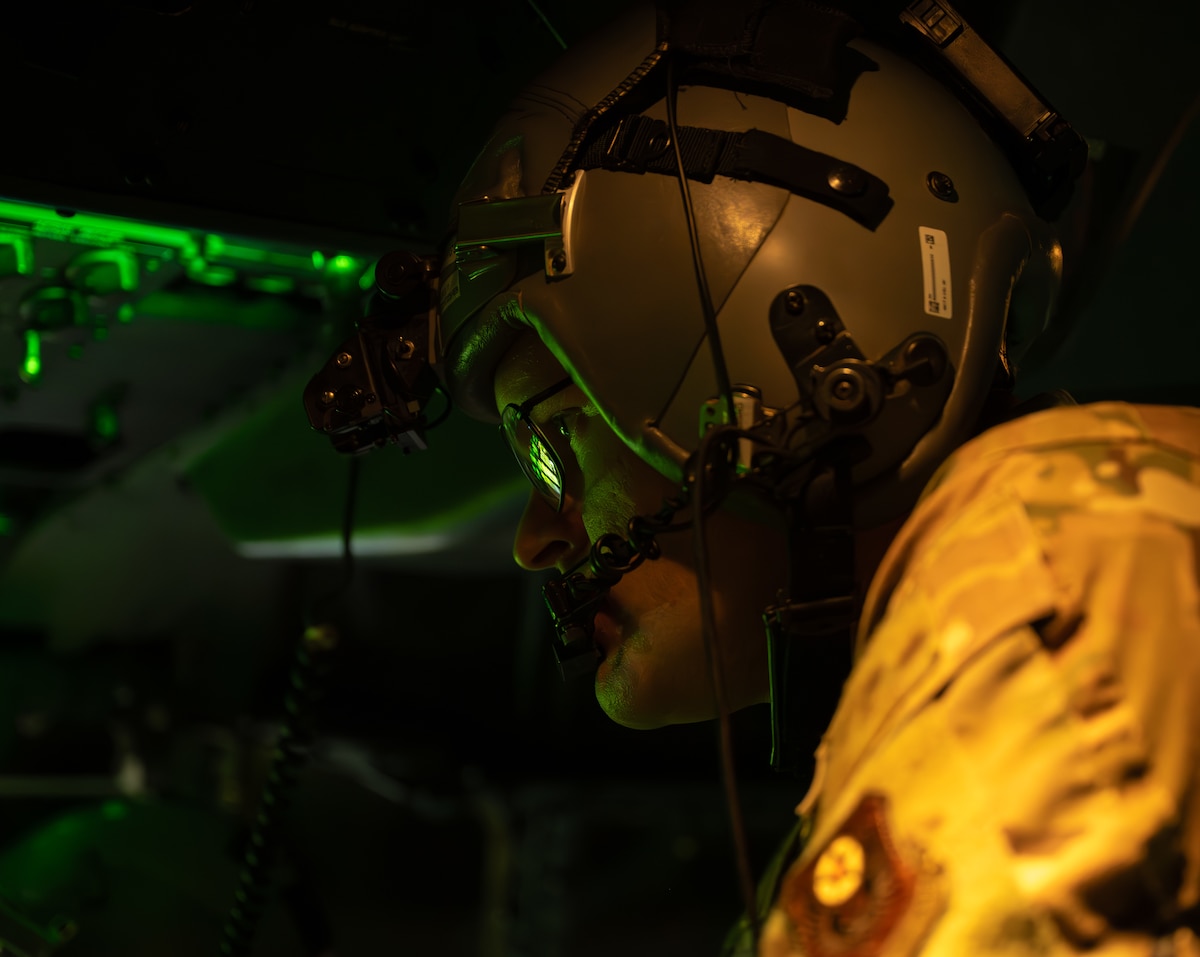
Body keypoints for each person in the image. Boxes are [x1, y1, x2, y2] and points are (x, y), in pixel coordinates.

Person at [430, 1, 1200, 953]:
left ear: (762, 363)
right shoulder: (1019, 605)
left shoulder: (1071, 558)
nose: (533, 539)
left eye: (548, 444)